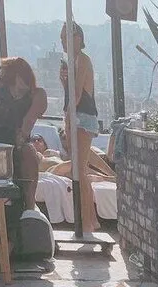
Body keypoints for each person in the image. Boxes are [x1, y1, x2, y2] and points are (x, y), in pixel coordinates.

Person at [0, 57, 47, 210]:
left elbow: (28, 121)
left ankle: (30, 206)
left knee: (28, 151)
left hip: (15, 143)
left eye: (3, 71)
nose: (0, 74)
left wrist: (19, 140)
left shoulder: (37, 94)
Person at [60, 22, 99, 232]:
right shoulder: (73, 61)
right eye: (61, 38)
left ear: (77, 38)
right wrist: (64, 82)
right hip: (77, 116)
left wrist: (67, 118)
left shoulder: (83, 60)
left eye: (65, 37)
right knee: (78, 169)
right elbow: (71, 94)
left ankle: (87, 220)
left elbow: (77, 95)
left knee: (80, 170)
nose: (62, 42)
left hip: (82, 117)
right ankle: (89, 219)